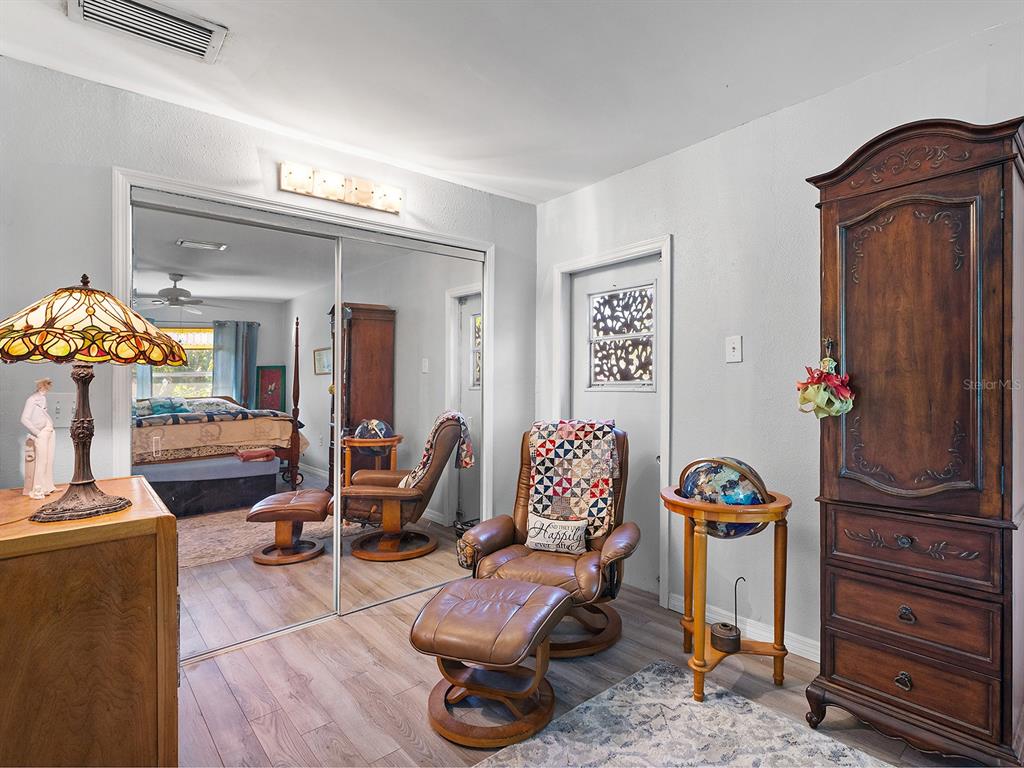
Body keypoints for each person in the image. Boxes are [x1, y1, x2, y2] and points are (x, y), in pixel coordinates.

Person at [21, 377, 56, 499]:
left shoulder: (43, 398)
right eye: (46, 385)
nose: (47, 388)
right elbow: (24, 418)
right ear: (41, 386)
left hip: (49, 430)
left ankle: (48, 486)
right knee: (42, 461)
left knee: (49, 460)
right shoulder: (32, 400)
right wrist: (37, 432)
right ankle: (38, 489)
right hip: (41, 433)